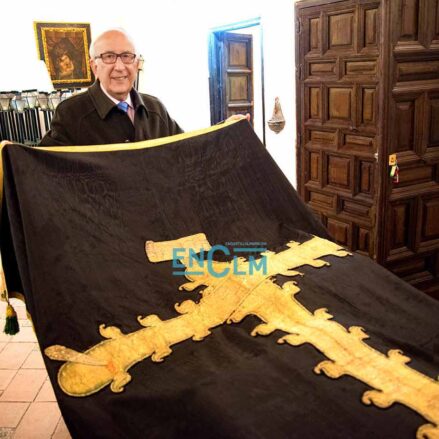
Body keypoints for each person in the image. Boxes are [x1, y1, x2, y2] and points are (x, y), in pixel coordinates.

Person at [39, 28, 248, 147]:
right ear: (95, 65)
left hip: (154, 218)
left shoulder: (154, 107)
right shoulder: (70, 114)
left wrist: (224, 129)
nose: (119, 66)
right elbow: (44, 168)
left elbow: (187, 147)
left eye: (127, 56)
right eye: (109, 56)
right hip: (103, 223)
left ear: (137, 63)